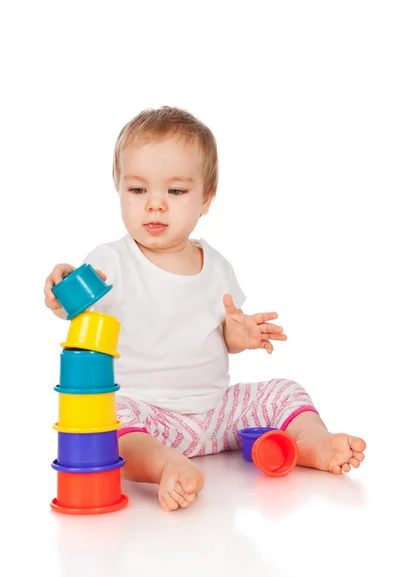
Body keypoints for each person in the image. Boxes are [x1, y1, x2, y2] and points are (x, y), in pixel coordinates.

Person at [44, 106, 366, 511]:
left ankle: (308, 442)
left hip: (217, 412)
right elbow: (72, 308)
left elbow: (223, 335)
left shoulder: (216, 265)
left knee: (284, 390)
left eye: (175, 192)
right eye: (138, 190)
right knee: (107, 428)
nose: (155, 205)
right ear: (119, 189)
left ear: (206, 199)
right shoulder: (110, 261)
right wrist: (60, 292)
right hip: (147, 414)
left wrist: (240, 334)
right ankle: (167, 465)